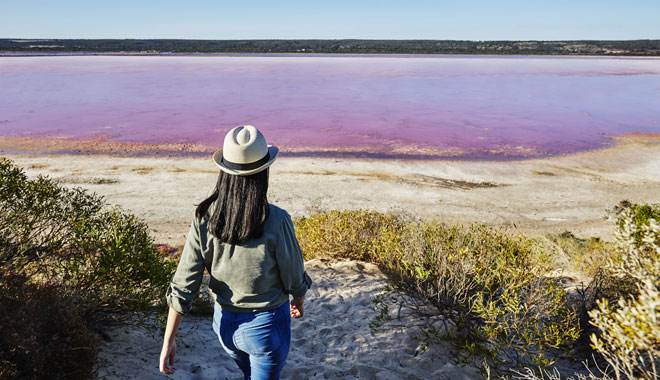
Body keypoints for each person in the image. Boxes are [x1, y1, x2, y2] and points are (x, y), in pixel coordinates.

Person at [159, 125, 313, 380]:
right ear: (264, 171)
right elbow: (294, 277)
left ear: (225, 172)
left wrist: (168, 340)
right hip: (266, 327)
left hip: (224, 327)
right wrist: (299, 301)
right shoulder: (276, 219)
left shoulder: (204, 218)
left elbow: (184, 285)